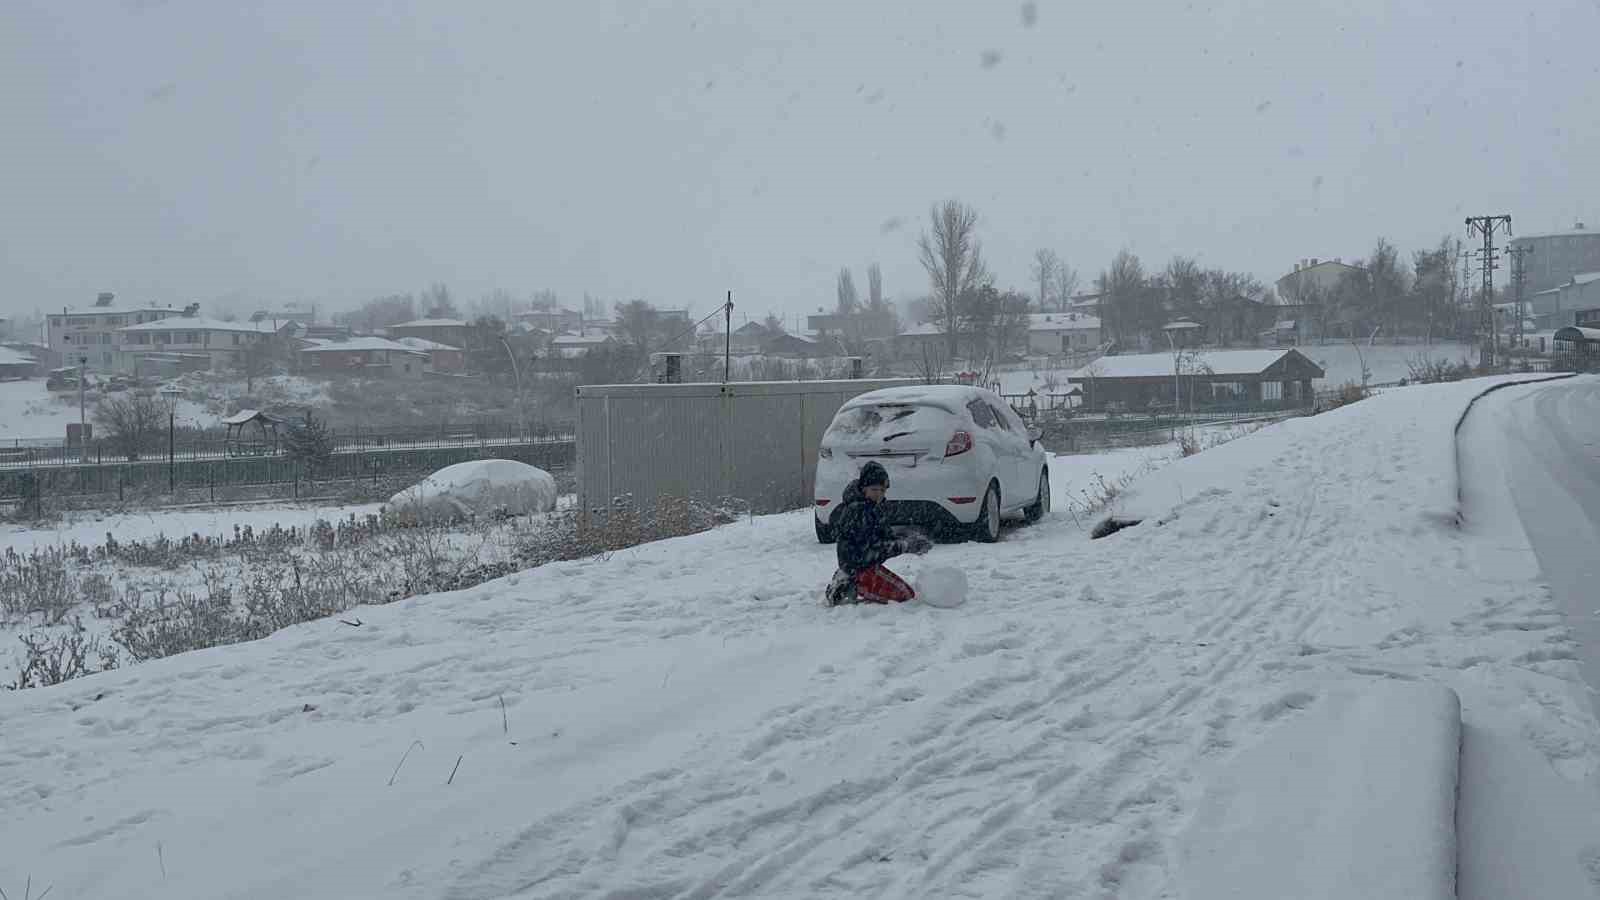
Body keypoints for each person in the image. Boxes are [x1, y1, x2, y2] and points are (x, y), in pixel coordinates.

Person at [825, 461, 932, 606]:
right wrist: (904, 546)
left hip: (867, 565)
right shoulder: (858, 511)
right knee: (905, 596)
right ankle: (849, 586)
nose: (879, 494)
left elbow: (885, 536)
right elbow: (874, 548)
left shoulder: (872, 508)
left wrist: (907, 538)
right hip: (860, 568)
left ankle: (847, 577)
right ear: (864, 488)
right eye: (874, 489)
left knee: (907, 593)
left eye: (882, 490)